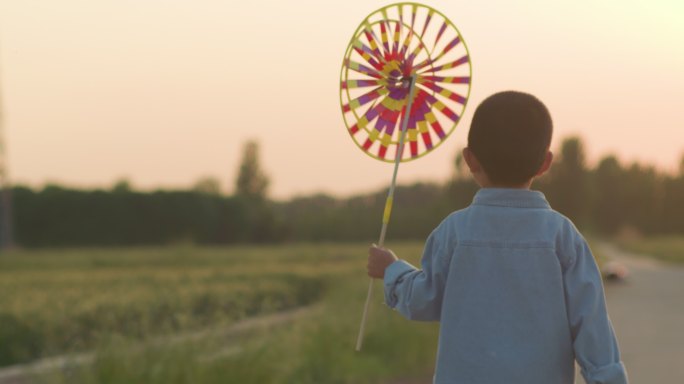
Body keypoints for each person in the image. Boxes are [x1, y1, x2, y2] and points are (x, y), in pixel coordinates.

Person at [367, 91, 628, 384]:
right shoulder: (562, 237)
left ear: (469, 159)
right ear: (545, 162)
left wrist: (391, 270)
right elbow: (593, 330)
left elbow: (424, 300)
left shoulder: (453, 233)